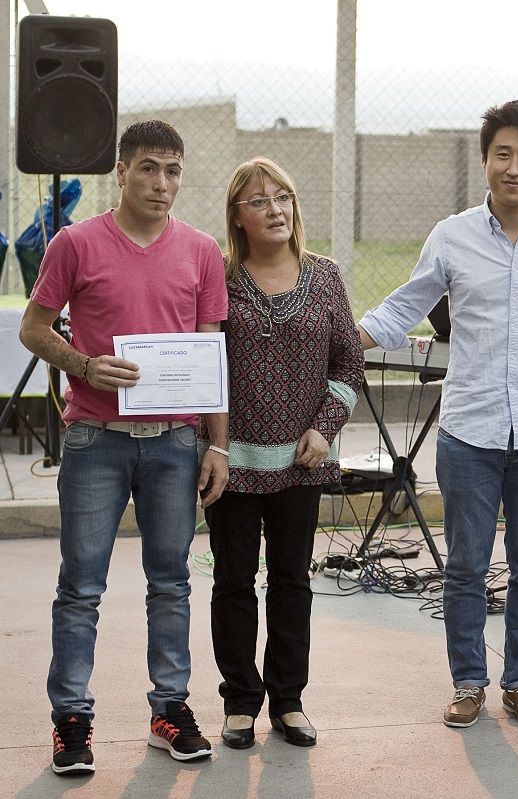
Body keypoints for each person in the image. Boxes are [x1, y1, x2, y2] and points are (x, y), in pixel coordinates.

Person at [358, 100, 518, 730]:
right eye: (503, 153)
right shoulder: (451, 236)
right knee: (465, 567)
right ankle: (468, 681)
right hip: (469, 430)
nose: (514, 167)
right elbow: (401, 309)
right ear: (485, 161)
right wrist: (333, 339)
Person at [20, 120, 228, 774]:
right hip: (94, 440)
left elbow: (211, 356)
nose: (161, 183)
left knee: (171, 583)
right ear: (121, 171)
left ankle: (170, 710)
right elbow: (33, 328)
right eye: (148, 168)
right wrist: (83, 365)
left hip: (175, 443)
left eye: (173, 171)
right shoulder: (75, 243)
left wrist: (217, 445)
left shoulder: (201, 251)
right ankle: (71, 719)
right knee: (81, 586)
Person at [204, 157, 363, 750]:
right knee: (234, 582)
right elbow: (204, 366)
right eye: (259, 200)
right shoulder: (218, 280)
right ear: (237, 216)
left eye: (283, 197)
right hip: (232, 465)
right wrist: (212, 445)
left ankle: (289, 701)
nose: (275, 209)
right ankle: (240, 701)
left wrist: (325, 428)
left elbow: (348, 365)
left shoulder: (325, 276)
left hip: (302, 464)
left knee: (292, 582)